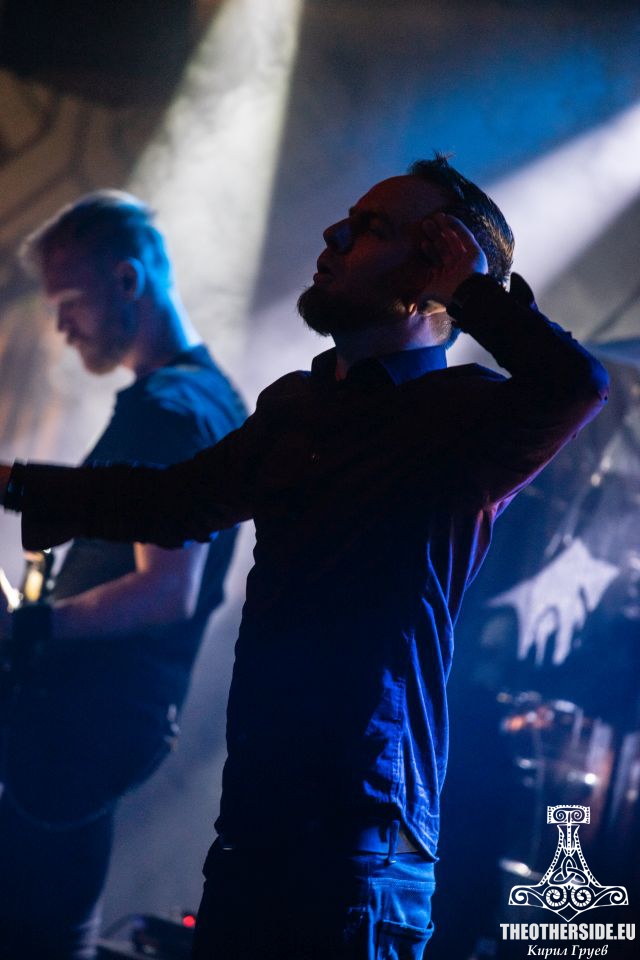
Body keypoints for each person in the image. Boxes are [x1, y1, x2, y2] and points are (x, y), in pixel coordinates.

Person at [0, 158, 608, 960]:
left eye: (374, 228)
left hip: (364, 846)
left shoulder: (471, 416)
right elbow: (172, 501)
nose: (335, 236)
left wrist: (469, 286)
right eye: (348, 219)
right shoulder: (298, 405)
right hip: (252, 827)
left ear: (437, 267)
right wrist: (14, 483)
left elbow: (575, 384)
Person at [0, 191, 246, 960]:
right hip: (97, 726)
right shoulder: (207, 397)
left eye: (69, 302)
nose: (62, 326)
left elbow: (166, 591)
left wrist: (27, 626)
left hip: (77, 729)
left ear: (127, 280)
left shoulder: (169, 411)